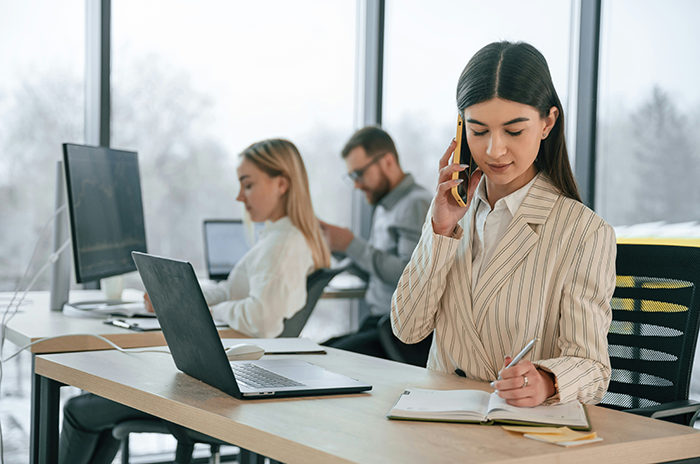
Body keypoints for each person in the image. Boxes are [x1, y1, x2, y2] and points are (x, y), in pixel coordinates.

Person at [59, 138, 331, 464]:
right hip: (224, 376)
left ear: (282, 183)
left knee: (80, 409)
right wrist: (179, 297)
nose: (239, 196)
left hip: (218, 390)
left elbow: (262, 318)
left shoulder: (283, 245)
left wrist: (202, 309)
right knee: (97, 405)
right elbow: (234, 292)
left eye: (248, 184)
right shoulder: (279, 237)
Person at [390, 41, 616, 408]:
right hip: (438, 419)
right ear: (461, 130)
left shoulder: (584, 232)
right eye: (479, 132)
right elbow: (408, 329)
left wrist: (545, 381)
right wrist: (440, 230)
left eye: (513, 131)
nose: (494, 150)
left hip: (518, 427)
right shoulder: (451, 215)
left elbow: (591, 366)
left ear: (547, 123)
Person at [321, 126, 432, 358]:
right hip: (376, 323)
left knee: (324, 358)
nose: (356, 184)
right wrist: (341, 250)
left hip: (396, 333)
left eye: (359, 174)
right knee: (317, 350)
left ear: (388, 161)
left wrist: (353, 245)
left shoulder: (415, 204)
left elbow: (409, 277)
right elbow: (378, 273)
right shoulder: (384, 207)